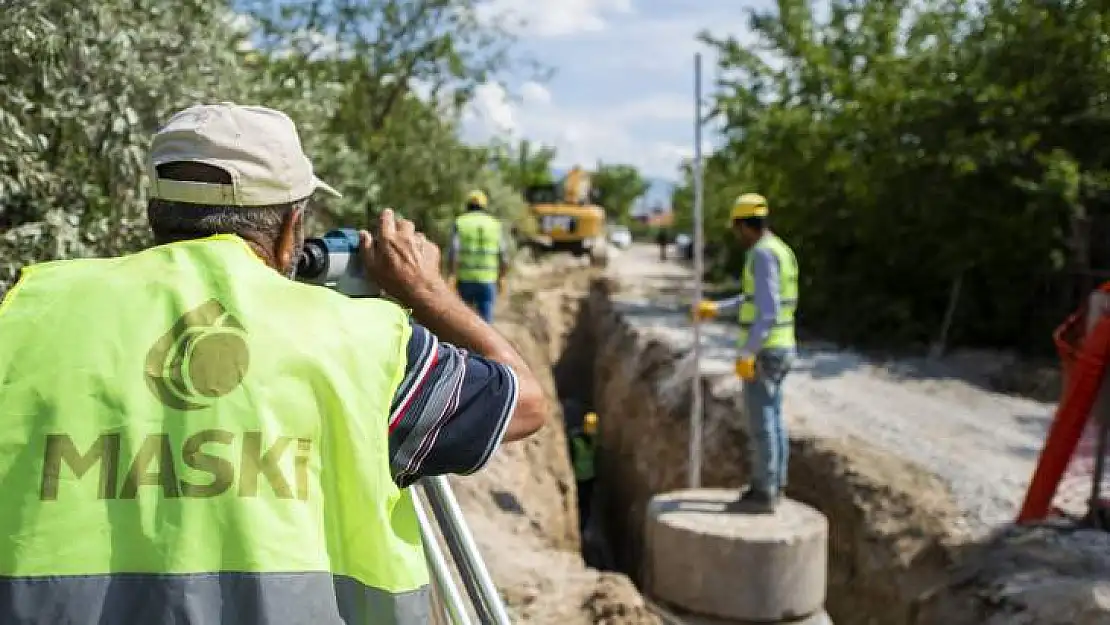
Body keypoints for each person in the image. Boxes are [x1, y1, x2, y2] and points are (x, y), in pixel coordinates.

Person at [0, 103, 548, 625]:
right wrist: (426, 292)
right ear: (292, 229)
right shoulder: (362, 342)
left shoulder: (29, 313)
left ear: (154, 214)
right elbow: (524, 401)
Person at [693, 193, 798, 514]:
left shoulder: (762, 255)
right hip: (782, 345)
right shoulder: (780, 249)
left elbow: (765, 312)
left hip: (766, 350)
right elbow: (754, 298)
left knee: (762, 422)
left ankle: (763, 493)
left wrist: (748, 353)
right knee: (774, 418)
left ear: (743, 226)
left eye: (737, 228)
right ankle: (773, 485)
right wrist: (717, 309)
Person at [448, 190, 509, 323]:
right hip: (488, 281)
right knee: (486, 323)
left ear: (468, 205)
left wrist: (452, 275)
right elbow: (504, 255)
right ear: (484, 206)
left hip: (465, 281)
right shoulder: (494, 224)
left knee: (463, 322)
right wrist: (503, 276)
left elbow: (454, 251)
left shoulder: (460, 222)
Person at [569, 412, 598, 535]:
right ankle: (579, 529)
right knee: (580, 505)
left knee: (586, 506)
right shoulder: (575, 441)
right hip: (578, 479)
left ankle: (583, 528)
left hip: (589, 478)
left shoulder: (592, 439)